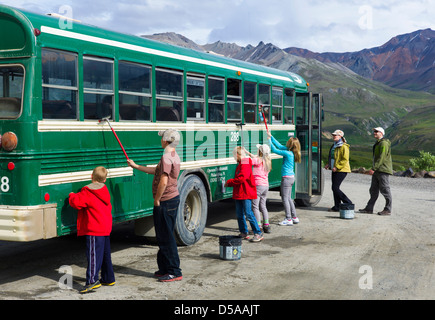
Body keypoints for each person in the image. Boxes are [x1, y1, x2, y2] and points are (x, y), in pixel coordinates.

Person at [127, 129, 182, 281]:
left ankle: (174, 271)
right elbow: (156, 172)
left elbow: (163, 181)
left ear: (166, 140)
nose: (160, 140)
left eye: (162, 138)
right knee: (164, 236)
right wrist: (136, 166)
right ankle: (164, 269)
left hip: (166, 201)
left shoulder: (166, 157)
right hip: (172, 199)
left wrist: (157, 199)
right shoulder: (173, 155)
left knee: (166, 237)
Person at [69, 166, 115, 294]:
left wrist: (72, 195)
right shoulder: (105, 190)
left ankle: (91, 281)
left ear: (91, 176)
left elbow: (76, 203)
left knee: (93, 256)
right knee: (105, 255)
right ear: (105, 180)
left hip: (95, 229)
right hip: (105, 228)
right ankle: (108, 278)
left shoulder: (88, 192)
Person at [225, 146, 264, 242]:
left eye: (234, 155)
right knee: (239, 214)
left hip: (245, 192)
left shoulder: (244, 163)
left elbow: (242, 178)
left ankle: (258, 233)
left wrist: (229, 182)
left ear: (238, 155)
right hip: (240, 193)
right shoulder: (242, 163)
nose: (234, 157)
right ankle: (244, 232)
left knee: (248, 214)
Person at [268, 132, 301, 226]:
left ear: (290, 145)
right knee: (289, 199)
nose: (286, 143)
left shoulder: (287, 153)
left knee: (285, 199)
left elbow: (274, 149)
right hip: (291, 178)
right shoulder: (291, 152)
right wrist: (271, 137)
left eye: (288, 142)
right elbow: (279, 145)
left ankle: (288, 218)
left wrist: (268, 141)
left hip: (286, 179)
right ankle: (294, 217)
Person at [359, 127, 393, 216]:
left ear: (381, 133)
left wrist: (374, 168)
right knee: (373, 190)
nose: (374, 133)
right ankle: (369, 208)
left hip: (383, 170)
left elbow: (382, 157)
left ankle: (388, 209)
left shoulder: (384, 143)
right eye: (374, 131)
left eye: (376, 132)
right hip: (378, 170)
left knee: (385, 189)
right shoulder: (378, 143)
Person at [244, 144, 272, 233]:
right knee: (263, 206)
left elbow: (247, 162)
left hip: (258, 186)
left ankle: (258, 225)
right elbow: (254, 157)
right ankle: (266, 225)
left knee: (255, 206)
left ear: (260, 152)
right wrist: (247, 152)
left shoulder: (257, 160)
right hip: (265, 186)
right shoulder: (267, 161)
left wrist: (242, 157)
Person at [324, 130, 353, 212]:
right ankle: (337, 206)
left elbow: (345, 159)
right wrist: (329, 164)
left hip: (342, 170)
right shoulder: (334, 145)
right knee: (335, 188)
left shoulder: (344, 146)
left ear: (340, 136)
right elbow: (332, 156)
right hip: (334, 169)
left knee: (335, 187)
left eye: (336, 135)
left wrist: (337, 167)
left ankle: (347, 202)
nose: (334, 136)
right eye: (333, 135)